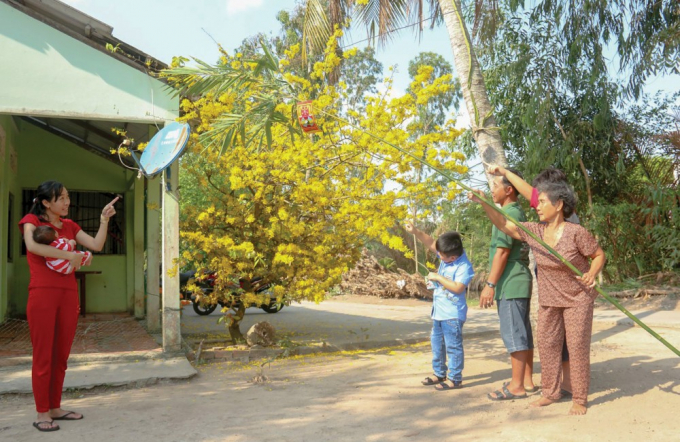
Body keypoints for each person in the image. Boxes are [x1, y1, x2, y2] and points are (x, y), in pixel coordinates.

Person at [468, 181, 605, 415]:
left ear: (559, 204)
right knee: (548, 345)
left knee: (576, 348)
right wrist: (484, 203)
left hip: (577, 300)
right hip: (549, 301)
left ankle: (579, 398)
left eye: (542, 202)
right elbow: (503, 223)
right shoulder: (536, 231)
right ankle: (550, 393)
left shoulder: (575, 232)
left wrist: (591, 273)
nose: (537, 207)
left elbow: (598, 254)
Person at [19, 181, 118, 432]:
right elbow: (32, 246)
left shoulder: (71, 226)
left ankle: (55, 407)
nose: (66, 202)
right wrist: (71, 256)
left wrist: (104, 220)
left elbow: (95, 245)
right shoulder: (32, 220)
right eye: (61, 198)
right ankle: (42, 412)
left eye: (67, 197)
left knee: (61, 355)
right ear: (46, 203)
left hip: (68, 294)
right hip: (42, 294)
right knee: (43, 355)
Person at [486, 165, 577, 394]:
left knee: (562, 334)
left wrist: (505, 173)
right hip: (552, 283)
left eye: (542, 196)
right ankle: (555, 382)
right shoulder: (553, 219)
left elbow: (528, 195)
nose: (537, 201)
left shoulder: (563, 218)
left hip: (562, 285)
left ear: (555, 198)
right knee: (554, 334)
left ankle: (561, 384)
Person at [480, 170, 536, 401]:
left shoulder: (506, 215)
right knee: (523, 332)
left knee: (514, 334)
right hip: (519, 279)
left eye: (495, 185)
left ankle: (517, 386)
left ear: (509, 189)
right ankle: (527, 381)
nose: (492, 190)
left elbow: (502, 252)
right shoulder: (517, 212)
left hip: (510, 281)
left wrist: (490, 283)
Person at [404, 223, 475, 390]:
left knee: (453, 346)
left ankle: (455, 378)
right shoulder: (447, 255)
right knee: (437, 344)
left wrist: (437, 277)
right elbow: (430, 242)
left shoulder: (464, 266)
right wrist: (415, 231)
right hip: (438, 313)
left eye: (441, 256)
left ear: (452, 258)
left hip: (452, 315)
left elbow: (458, 288)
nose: (439, 257)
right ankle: (439, 373)